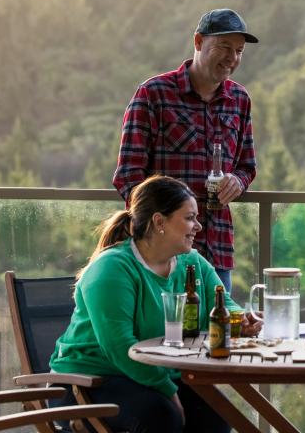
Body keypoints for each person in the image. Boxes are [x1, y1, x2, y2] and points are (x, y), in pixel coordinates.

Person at [50, 175, 262, 433]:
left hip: (153, 376)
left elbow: (223, 305)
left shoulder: (192, 263)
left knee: (216, 419)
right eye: (189, 217)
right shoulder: (112, 269)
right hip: (90, 382)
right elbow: (120, 347)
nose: (198, 226)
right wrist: (168, 391)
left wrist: (242, 321)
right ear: (159, 221)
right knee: (162, 418)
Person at [113, 8, 258, 294]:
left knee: (218, 334)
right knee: (163, 334)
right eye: (224, 47)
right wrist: (158, 227)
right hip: (161, 255)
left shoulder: (239, 100)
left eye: (239, 51)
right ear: (198, 42)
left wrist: (237, 181)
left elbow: (247, 166)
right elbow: (128, 176)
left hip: (216, 251)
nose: (232, 58)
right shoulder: (153, 94)